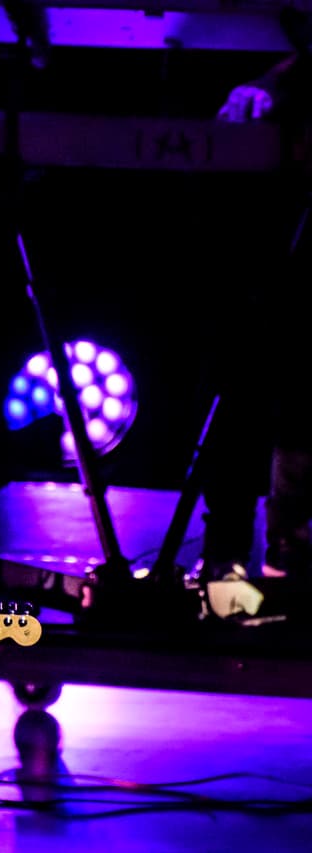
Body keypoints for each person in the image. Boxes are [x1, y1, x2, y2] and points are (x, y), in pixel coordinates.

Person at [204, 28, 311, 593]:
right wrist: (264, 88)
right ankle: (229, 559)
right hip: (269, 251)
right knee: (246, 395)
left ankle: (284, 557)